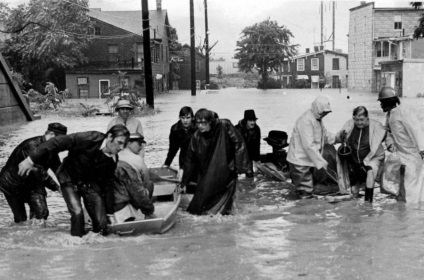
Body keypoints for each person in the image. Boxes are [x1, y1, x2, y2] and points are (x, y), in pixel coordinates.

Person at [18, 124, 130, 237]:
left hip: (89, 183)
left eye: (124, 145)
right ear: (110, 136)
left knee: (101, 223)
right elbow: (56, 142)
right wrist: (31, 159)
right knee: (77, 213)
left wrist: (110, 213)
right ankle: (77, 241)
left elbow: (108, 185)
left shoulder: (113, 160)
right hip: (69, 178)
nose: (120, 148)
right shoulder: (89, 138)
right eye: (119, 142)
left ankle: (96, 244)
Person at [182, 108, 251, 215]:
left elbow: (239, 144)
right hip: (208, 173)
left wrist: (238, 167)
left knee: (225, 205)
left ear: (210, 122)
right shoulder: (196, 137)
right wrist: (184, 181)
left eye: (203, 123)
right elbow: (189, 160)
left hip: (226, 171)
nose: (200, 126)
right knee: (198, 206)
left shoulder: (224, 125)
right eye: (198, 123)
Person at [0, 123, 67, 225]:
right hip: (12, 183)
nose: (61, 143)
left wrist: (68, 185)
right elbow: (39, 171)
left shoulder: (52, 148)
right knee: (20, 218)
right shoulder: (32, 146)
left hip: (33, 182)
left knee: (42, 213)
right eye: (60, 140)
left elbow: (58, 169)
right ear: (52, 134)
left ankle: (38, 235)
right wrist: (57, 188)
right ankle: (23, 236)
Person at [378, 86, 424, 203]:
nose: (381, 106)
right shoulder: (389, 115)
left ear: (388, 102)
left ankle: (412, 212)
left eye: (382, 103)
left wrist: (422, 149)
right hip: (401, 154)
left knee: (412, 185)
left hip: (413, 154)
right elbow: (388, 132)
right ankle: (403, 207)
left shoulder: (404, 112)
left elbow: (417, 130)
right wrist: (390, 144)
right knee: (397, 181)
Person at [287, 95, 335, 197]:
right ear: (317, 109)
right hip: (299, 161)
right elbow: (309, 146)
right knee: (305, 191)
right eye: (324, 112)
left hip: (307, 161)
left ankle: (303, 205)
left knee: (306, 189)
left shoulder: (317, 120)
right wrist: (321, 163)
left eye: (326, 113)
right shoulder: (306, 120)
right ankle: (303, 209)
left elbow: (325, 136)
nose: (325, 114)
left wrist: (338, 137)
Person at [335, 106, 386, 202]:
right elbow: (338, 137)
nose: (359, 123)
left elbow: (386, 134)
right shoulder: (349, 124)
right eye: (356, 120)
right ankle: (356, 204)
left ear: (367, 118)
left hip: (373, 157)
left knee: (370, 171)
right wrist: (337, 137)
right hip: (355, 160)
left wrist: (391, 143)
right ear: (353, 118)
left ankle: (368, 202)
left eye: (362, 120)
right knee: (354, 192)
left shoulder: (376, 125)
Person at [113, 133, 155, 222]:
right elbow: (146, 180)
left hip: (114, 199)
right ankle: (146, 213)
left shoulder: (113, 155)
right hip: (127, 199)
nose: (141, 147)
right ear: (128, 143)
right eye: (139, 144)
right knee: (149, 184)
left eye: (142, 144)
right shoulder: (137, 159)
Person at [235, 109, 261, 177]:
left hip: (249, 154)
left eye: (254, 120)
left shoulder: (257, 129)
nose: (253, 122)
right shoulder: (237, 130)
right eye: (250, 120)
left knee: (250, 175)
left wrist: (257, 159)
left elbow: (257, 145)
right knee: (234, 175)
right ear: (246, 121)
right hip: (237, 154)